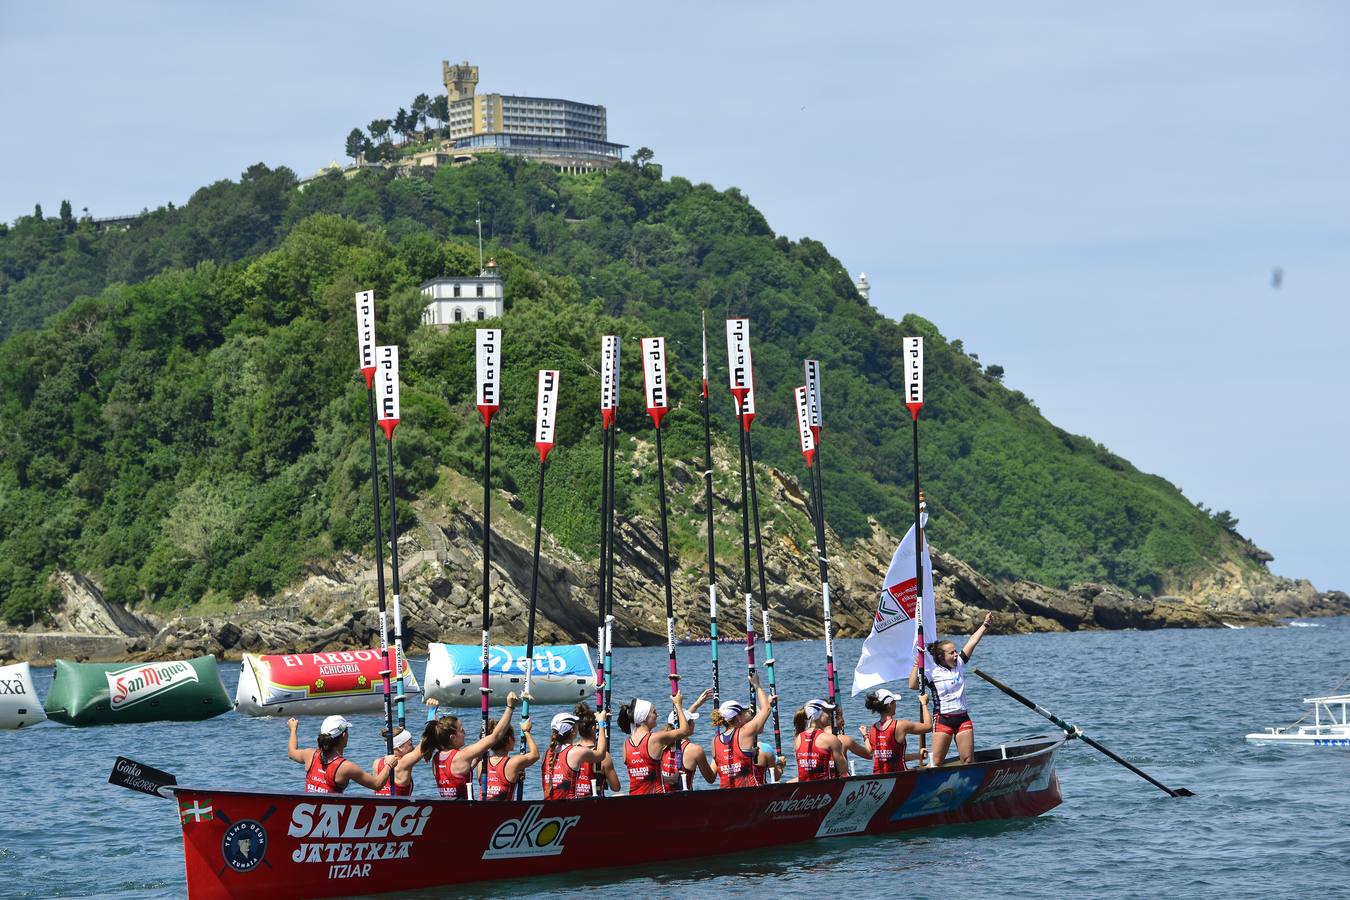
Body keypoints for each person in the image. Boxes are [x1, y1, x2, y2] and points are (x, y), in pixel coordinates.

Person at [910, 611, 993, 765]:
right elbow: (913, 685)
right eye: (952, 653)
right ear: (942, 656)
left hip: (962, 718)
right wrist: (916, 666)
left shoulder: (959, 664)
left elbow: (972, 642)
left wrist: (985, 625)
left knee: (968, 760)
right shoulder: (932, 673)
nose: (956, 654)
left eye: (956, 651)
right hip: (943, 719)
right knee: (936, 762)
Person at [403, 691, 520, 798]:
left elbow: (431, 735)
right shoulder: (462, 756)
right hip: (466, 812)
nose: (465, 733)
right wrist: (510, 707)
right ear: (452, 737)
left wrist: (432, 712)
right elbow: (496, 736)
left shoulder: (436, 759)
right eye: (461, 730)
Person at [287, 715, 391, 794]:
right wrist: (389, 765)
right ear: (344, 735)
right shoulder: (345, 767)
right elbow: (377, 784)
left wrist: (293, 729)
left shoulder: (310, 754)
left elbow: (292, 753)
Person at [618, 691, 691, 795]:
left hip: (633, 801)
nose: (657, 715)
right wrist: (678, 705)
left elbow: (645, 778)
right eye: (654, 712)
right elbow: (685, 731)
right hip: (656, 800)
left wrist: (670, 779)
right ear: (644, 718)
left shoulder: (625, 745)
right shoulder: (655, 738)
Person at [710, 675, 775, 789]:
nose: (746, 714)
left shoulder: (715, 741)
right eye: (744, 712)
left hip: (725, 794)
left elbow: (735, 755)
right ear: (738, 717)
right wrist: (757, 686)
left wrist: (750, 754)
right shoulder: (745, 732)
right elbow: (767, 709)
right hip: (749, 792)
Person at [856, 688, 932, 774]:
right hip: (901, 777)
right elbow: (928, 726)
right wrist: (924, 703)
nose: (896, 704)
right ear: (889, 704)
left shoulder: (873, 728)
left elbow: (872, 752)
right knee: (928, 768)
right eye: (894, 702)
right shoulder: (900, 725)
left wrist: (917, 756)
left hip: (878, 777)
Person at [542, 706, 611, 799]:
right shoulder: (575, 752)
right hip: (570, 809)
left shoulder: (547, 753)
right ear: (573, 732)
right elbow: (601, 754)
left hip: (547, 807)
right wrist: (601, 722)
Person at [661, 688, 717, 791]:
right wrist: (716, 757)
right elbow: (711, 778)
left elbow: (680, 724)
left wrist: (697, 704)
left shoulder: (661, 744)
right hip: (685, 800)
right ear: (687, 725)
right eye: (692, 721)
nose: (694, 723)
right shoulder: (694, 750)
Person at [484, 714, 538, 801]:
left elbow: (498, 780)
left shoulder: (482, 763)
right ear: (509, 740)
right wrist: (526, 731)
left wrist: (515, 776)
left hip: (483, 809)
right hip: (505, 811)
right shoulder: (513, 763)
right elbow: (535, 755)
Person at [792, 699, 848, 782]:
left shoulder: (798, 738)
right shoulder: (831, 739)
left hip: (803, 788)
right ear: (816, 715)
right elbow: (843, 771)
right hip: (826, 787)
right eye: (827, 712)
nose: (830, 715)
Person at [573, 703, 621, 795]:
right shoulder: (604, 757)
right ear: (594, 728)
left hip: (574, 801)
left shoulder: (571, 750)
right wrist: (601, 723)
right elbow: (616, 787)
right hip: (596, 804)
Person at [371, 728, 417, 796]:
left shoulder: (376, 763)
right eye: (410, 744)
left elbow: (375, 791)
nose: (413, 748)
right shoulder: (403, 764)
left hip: (379, 805)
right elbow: (423, 748)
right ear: (399, 748)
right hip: (400, 806)